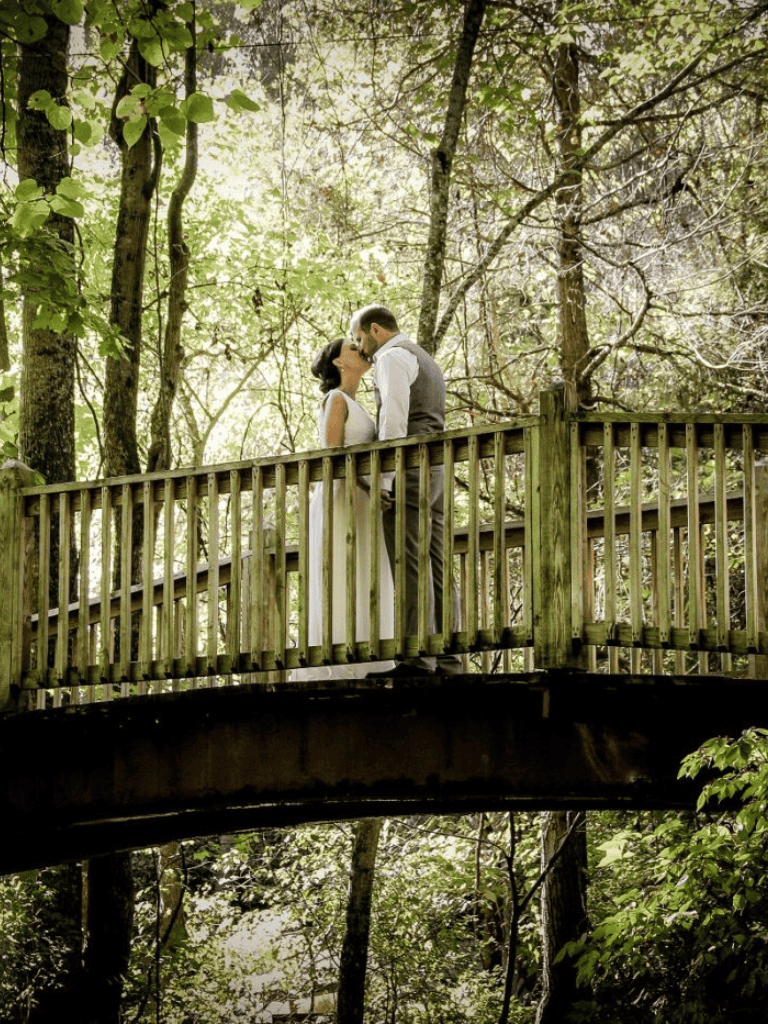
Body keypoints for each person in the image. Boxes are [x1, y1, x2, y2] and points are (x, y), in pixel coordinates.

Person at [349, 304, 462, 678]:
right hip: (437, 466)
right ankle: (448, 659)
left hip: (410, 466)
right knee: (437, 560)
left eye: (359, 338)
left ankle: (415, 658)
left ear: (375, 330)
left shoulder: (391, 358)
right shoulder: (426, 359)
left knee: (408, 559)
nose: (359, 347)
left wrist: (382, 482)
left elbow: (393, 422)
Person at [291, 336, 395, 681]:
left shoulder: (360, 404)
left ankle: (370, 657)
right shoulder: (335, 399)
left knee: (365, 569)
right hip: (341, 496)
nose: (361, 350)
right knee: (341, 569)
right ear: (339, 363)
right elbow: (332, 455)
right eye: (353, 348)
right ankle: (338, 663)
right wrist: (368, 486)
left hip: (362, 498)